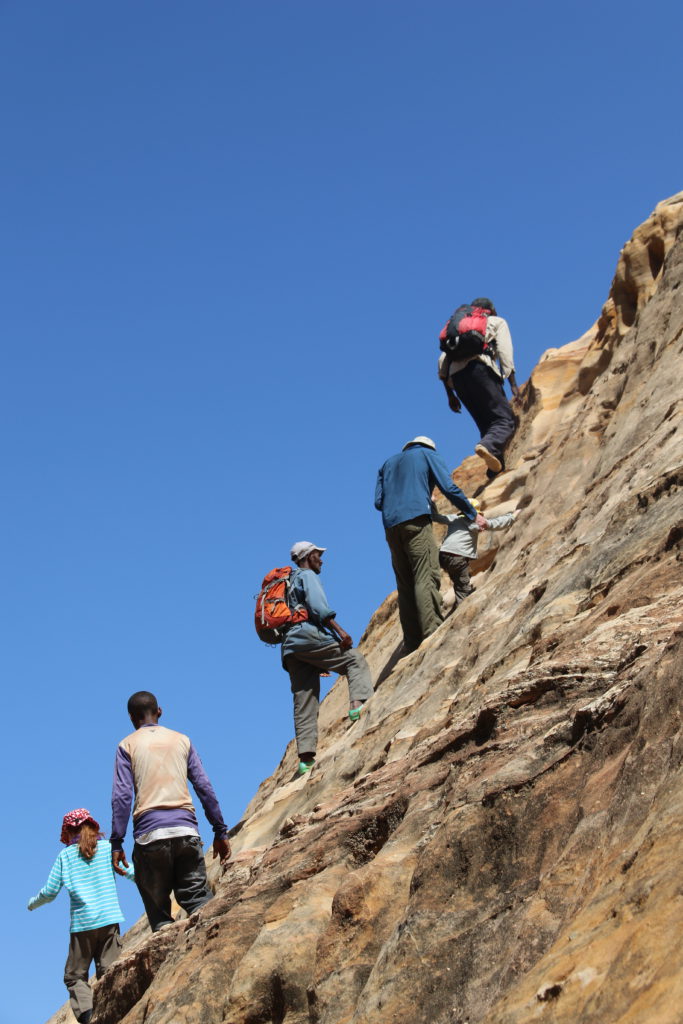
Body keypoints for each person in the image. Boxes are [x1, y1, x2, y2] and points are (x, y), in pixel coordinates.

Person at [110, 691, 231, 933]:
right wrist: (220, 831)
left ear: (132, 718)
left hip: (149, 837)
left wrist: (116, 843)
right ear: (160, 712)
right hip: (186, 830)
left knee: (160, 914)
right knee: (198, 901)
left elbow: (122, 797)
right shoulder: (181, 740)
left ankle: (165, 945)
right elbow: (203, 786)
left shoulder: (127, 745)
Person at [375, 437, 487, 654]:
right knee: (425, 574)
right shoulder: (427, 454)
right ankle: (431, 631)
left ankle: (411, 641)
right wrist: (473, 514)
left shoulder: (387, 464)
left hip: (391, 526)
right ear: (429, 447)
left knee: (405, 582)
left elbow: (378, 502)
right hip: (416, 518)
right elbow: (448, 486)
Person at [27, 808, 135, 1024]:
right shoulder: (106, 848)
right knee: (109, 970)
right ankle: (116, 1011)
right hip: (109, 919)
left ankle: (87, 1016)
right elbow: (129, 870)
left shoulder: (65, 856)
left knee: (75, 976)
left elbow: (49, 892)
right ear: (93, 826)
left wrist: (32, 903)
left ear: (67, 832)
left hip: (82, 925)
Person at [281, 541, 374, 776]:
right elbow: (318, 608)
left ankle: (305, 759)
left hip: (290, 647)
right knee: (354, 660)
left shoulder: (286, 583)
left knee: (304, 700)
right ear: (307, 556)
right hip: (307, 635)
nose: (321, 559)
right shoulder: (306, 576)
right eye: (317, 554)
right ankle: (359, 707)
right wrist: (340, 631)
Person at [438, 297, 520, 475]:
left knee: (485, 424)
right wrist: (512, 383)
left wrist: (450, 395)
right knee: (505, 420)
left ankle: (494, 468)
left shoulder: (456, 330)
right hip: (480, 370)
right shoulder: (495, 321)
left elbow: (442, 361)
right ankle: (488, 446)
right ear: (490, 310)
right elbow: (505, 352)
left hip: (458, 380)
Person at [432, 501, 520, 607]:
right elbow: (492, 524)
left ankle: (458, 600)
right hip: (457, 557)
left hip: (443, 556)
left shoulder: (454, 518)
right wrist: (512, 516)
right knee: (463, 587)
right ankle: (462, 607)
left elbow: (436, 517)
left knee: (458, 581)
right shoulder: (472, 522)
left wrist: (432, 503)